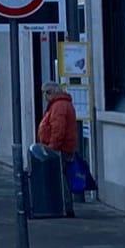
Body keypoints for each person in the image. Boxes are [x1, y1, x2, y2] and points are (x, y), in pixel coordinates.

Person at [36, 83, 80, 216]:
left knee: (61, 178)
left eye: (47, 92)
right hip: (62, 147)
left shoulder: (59, 106)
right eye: (43, 93)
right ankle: (63, 206)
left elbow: (58, 129)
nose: (45, 96)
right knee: (61, 177)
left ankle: (65, 207)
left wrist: (52, 148)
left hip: (60, 149)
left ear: (54, 92)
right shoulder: (60, 104)